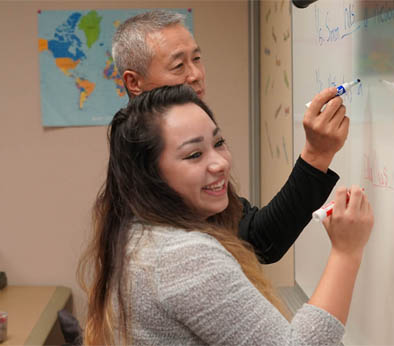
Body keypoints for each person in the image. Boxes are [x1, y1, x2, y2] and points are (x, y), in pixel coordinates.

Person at [79, 84, 374, 345]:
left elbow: (260, 236)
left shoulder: (139, 230)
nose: (219, 163)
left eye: (218, 143)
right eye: (194, 155)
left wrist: (317, 156)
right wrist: (345, 253)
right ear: (150, 175)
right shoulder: (182, 256)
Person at [111, 10, 349, 264]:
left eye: (197, 58)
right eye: (179, 65)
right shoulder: (140, 160)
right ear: (134, 82)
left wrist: (317, 154)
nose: (196, 75)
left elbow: (253, 237)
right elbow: (259, 241)